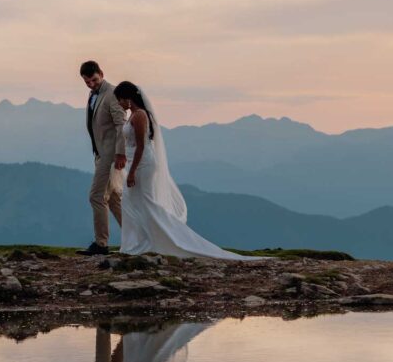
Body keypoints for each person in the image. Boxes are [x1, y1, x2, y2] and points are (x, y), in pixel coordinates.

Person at [113, 81, 262, 260]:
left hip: (142, 165)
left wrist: (132, 171)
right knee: (132, 202)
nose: (119, 103)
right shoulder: (133, 115)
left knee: (145, 202)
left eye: (120, 99)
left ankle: (164, 239)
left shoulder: (139, 116)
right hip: (135, 163)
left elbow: (141, 146)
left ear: (128, 98)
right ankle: (138, 242)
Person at [78, 60, 126, 256]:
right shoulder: (93, 94)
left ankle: (101, 244)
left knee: (96, 196)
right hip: (100, 154)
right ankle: (137, 236)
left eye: (94, 80)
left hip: (111, 156)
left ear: (102, 74)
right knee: (113, 199)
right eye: (87, 82)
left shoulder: (112, 94)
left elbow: (121, 124)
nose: (91, 84)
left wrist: (120, 153)